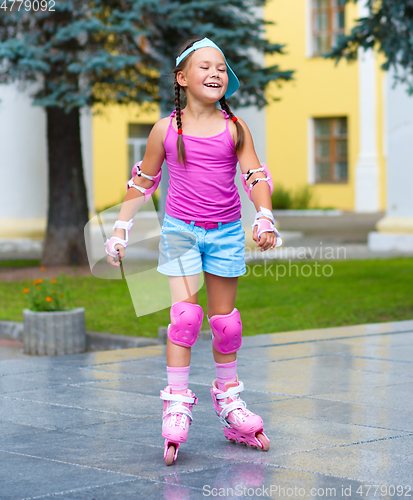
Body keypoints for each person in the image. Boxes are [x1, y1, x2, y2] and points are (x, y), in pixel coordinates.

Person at [106, 37, 282, 466]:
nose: (215, 73)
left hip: (223, 233)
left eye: (221, 67)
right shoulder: (165, 130)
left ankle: (230, 402)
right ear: (182, 79)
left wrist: (264, 216)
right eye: (205, 66)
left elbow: (254, 175)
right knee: (185, 319)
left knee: (227, 326)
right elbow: (143, 181)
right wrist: (121, 227)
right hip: (182, 232)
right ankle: (177, 404)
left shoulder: (236, 128)